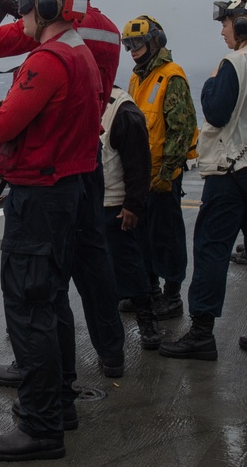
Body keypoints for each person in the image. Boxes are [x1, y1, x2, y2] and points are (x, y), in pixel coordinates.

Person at [0, 0, 102, 461]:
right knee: (51, 300)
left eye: (28, 1)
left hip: (38, 199)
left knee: (29, 307)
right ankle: (59, 406)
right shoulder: (80, 55)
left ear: (50, 7)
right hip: (66, 193)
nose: (22, 10)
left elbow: (1, 128)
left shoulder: (47, 60)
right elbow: (39, 122)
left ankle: (41, 427)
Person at [159, 0, 247, 362]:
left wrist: (209, 86)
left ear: (245, 26)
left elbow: (216, 114)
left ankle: (202, 333)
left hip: (232, 171)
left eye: (228, 24)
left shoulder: (234, 63)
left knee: (211, 250)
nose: (223, 31)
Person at [121, 15, 198, 320]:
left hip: (164, 176)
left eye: (137, 43)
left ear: (154, 41)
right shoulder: (136, 77)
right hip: (140, 175)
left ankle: (172, 296)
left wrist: (167, 174)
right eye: (128, 44)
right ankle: (149, 291)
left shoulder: (171, 76)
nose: (132, 50)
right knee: (140, 237)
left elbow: (182, 129)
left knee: (167, 238)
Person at [99, 85, 160, 348]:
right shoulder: (81, 97)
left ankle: (147, 319)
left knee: (128, 263)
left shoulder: (122, 111)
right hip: (85, 202)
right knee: (94, 272)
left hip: (113, 204)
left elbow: (139, 163)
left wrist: (133, 205)